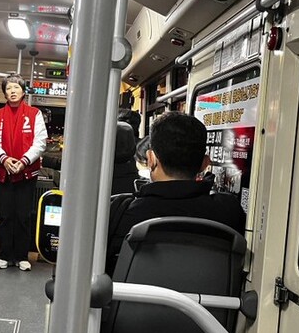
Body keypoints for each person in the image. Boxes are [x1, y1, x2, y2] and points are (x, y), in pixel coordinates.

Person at [105, 111, 246, 277]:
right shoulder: (229, 212)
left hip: (127, 302)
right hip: (203, 304)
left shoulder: (118, 212)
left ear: (151, 159)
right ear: (205, 164)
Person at [0, 73, 47, 271]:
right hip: (4, 172)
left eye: (16, 88)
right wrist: (5, 159)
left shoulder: (34, 114)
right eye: (9, 88)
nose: (12, 91)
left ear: (23, 91)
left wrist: (24, 161)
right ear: (4, 92)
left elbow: (40, 141)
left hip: (26, 172)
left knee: (24, 215)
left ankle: (21, 256)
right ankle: (5, 255)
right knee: (5, 215)